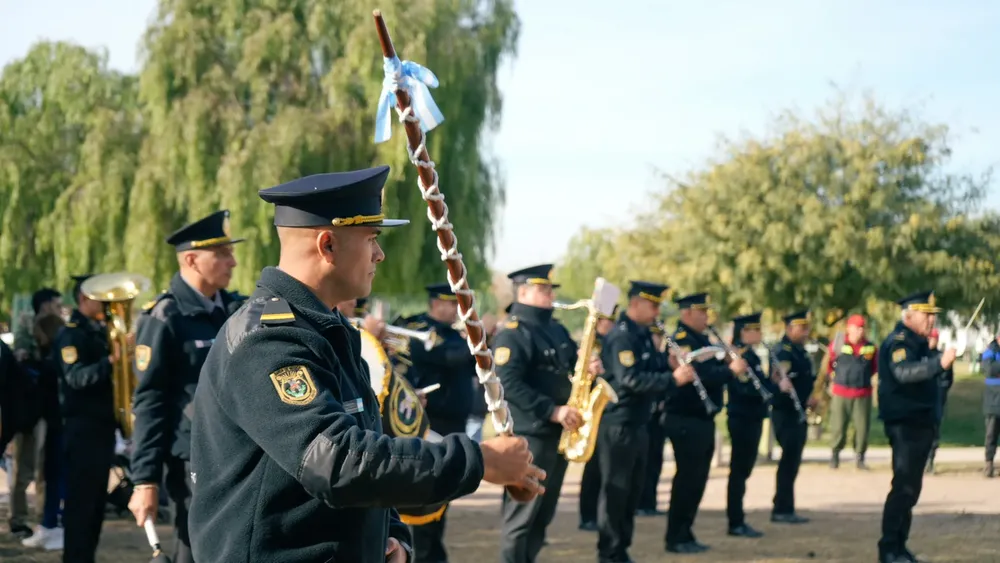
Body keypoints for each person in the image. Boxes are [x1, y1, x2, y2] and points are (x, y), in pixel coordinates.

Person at [187, 166, 544, 563]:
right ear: (328, 246)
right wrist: (479, 461)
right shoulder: (269, 339)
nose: (380, 254)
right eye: (371, 238)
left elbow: (365, 445)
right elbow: (336, 461)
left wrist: (389, 537)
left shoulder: (330, 330)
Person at [126, 209, 244, 563]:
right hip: (192, 456)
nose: (233, 262)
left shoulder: (236, 310)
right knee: (196, 548)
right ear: (191, 259)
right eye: (221, 254)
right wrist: (144, 480)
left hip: (236, 450)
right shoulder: (165, 317)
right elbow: (149, 402)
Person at [494, 263, 596, 563]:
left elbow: (568, 369)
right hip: (530, 435)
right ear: (522, 292)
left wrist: (588, 370)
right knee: (521, 517)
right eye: (543, 289)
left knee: (543, 513)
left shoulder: (556, 328)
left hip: (558, 433)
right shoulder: (513, 333)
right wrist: (551, 410)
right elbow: (507, 383)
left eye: (550, 288)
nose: (550, 294)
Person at [598, 282, 695, 563]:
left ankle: (621, 549)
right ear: (636, 304)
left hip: (640, 422)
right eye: (652, 306)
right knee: (616, 491)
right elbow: (630, 380)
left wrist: (670, 366)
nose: (656, 312)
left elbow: (649, 370)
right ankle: (609, 552)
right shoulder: (622, 336)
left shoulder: (642, 335)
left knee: (632, 492)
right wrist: (672, 380)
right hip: (619, 423)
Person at [397, 282, 477, 563]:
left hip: (454, 424)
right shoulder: (419, 328)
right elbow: (449, 356)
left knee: (444, 493)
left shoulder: (452, 334)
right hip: (429, 424)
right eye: (451, 303)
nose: (456, 309)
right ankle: (423, 554)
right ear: (435, 304)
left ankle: (433, 553)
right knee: (424, 496)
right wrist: (477, 338)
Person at [876, 291, 956, 563]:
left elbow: (936, 379)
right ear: (909, 315)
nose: (932, 320)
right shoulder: (899, 342)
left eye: (933, 315)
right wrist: (938, 363)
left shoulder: (920, 343)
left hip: (921, 423)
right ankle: (888, 547)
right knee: (903, 487)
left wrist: (940, 361)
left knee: (911, 489)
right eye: (927, 314)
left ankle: (900, 544)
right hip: (905, 424)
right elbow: (904, 372)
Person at [664, 292, 744, 554]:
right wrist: (730, 372)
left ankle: (686, 531)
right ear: (686, 313)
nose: (706, 316)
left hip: (703, 418)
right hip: (687, 417)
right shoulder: (683, 341)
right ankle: (676, 535)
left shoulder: (702, 339)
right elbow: (702, 374)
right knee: (687, 479)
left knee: (698, 479)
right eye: (701, 311)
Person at [54, 274, 118, 563]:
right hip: (82, 429)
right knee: (81, 504)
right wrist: (111, 362)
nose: (105, 302)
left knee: (94, 504)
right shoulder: (71, 334)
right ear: (83, 298)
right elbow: (75, 378)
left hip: (102, 428)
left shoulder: (98, 330)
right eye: (99, 297)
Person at [8, 287, 62, 541]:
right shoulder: (26, 327)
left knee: (45, 465)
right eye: (56, 304)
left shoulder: (60, 326)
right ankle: (18, 519)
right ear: (45, 305)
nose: (59, 308)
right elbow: (21, 357)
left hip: (48, 407)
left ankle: (44, 519)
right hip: (29, 408)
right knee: (24, 465)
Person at [725, 312, 775, 539]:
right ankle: (735, 520)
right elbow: (744, 389)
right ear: (744, 333)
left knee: (744, 470)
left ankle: (738, 518)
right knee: (739, 470)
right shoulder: (739, 357)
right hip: (742, 416)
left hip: (752, 416)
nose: (760, 333)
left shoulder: (752, 356)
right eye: (755, 329)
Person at [19, 313, 67, 551]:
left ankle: (53, 525)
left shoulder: (53, 360)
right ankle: (51, 524)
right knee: (54, 476)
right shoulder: (52, 358)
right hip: (58, 424)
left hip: (58, 425)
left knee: (56, 476)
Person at [768, 310, 816, 525]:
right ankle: (782, 507)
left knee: (793, 460)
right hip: (785, 411)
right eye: (801, 328)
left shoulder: (800, 351)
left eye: (807, 327)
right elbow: (780, 381)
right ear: (789, 328)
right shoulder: (784, 351)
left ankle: (787, 505)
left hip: (798, 411)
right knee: (788, 460)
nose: (806, 332)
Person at [579, 305, 617, 531]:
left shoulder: (613, 343)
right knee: (593, 469)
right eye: (607, 321)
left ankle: (595, 514)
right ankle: (587, 515)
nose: (610, 325)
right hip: (591, 411)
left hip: (605, 412)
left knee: (603, 468)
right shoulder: (591, 345)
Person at [824, 314, 877, 470]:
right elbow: (828, 365)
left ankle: (860, 457)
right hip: (841, 392)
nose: (859, 331)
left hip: (862, 393)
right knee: (838, 426)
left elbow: (875, 368)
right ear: (849, 328)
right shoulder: (838, 344)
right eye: (856, 328)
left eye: (862, 328)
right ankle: (834, 456)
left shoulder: (871, 347)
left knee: (862, 427)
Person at [636, 318, 668, 518]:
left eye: (660, 336)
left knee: (656, 459)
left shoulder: (662, 358)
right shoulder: (646, 357)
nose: (658, 340)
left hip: (658, 415)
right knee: (643, 461)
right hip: (645, 415)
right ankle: (641, 501)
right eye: (655, 336)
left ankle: (650, 501)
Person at [925, 328, 953, 474]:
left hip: (937, 398)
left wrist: (941, 391)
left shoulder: (943, 357)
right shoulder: (921, 355)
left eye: (934, 338)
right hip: (922, 399)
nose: (932, 340)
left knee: (934, 430)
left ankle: (930, 459)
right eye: (930, 337)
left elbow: (948, 379)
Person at [977, 331, 1000, 478]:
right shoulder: (989, 351)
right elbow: (989, 369)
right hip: (993, 401)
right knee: (991, 434)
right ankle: (989, 463)